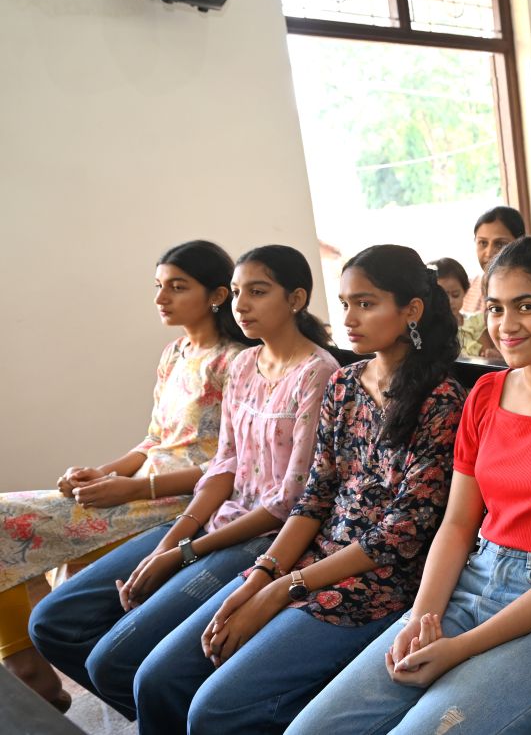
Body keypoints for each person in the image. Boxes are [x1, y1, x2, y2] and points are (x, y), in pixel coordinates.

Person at [287, 237, 531, 735]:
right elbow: (456, 525)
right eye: (495, 308)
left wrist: (458, 649)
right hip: (471, 582)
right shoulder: (486, 394)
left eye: (526, 306)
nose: (507, 324)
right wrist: (421, 617)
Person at [131, 245, 465, 733]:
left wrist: (282, 589)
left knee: (214, 709)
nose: (349, 318)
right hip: (309, 560)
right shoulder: (345, 384)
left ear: (410, 310)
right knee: (158, 677)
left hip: (376, 583)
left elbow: (400, 535)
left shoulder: (441, 400)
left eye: (366, 303)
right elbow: (315, 496)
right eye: (345, 303)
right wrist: (261, 576)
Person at [28, 245, 340, 721]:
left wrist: (184, 552)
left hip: (266, 535)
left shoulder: (319, 374)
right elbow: (224, 465)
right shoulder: (244, 365)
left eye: (258, 292)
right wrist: (170, 542)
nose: (242, 305)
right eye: (237, 292)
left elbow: (289, 502)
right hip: (215, 518)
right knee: (58, 624)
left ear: (296, 299)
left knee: (118, 661)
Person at [0, 240, 248, 710]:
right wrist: (101, 473)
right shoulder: (175, 353)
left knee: (4, 520)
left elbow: (231, 464)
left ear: (217, 295)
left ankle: (32, 672)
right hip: (136, 491)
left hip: (182, 502)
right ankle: (29, 667)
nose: (161, 298)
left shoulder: (235, 362)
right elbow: (155, 440)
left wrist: (132, 487)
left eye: (178, 287)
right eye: (158, 286)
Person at [460, 207, 526, 315]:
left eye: (500, 244)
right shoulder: (466, 289)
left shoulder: (529, 288)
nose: (489, 253)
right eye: (483, 243)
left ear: (520, 243)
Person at [430, 256, 497, 360]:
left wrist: (491, 354)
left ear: (465, 292)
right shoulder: (427, 327)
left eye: (455, 295)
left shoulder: (474, 323)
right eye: (442, 295)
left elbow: (487, 353)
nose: (450, 301)